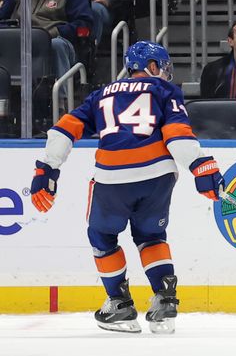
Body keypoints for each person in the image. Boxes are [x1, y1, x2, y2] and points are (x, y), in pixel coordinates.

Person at [28, 41, 224, 334]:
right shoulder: (164, 91)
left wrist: (47, 168)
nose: (166, 73)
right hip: (158, 175)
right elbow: (177, 136)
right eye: (163, 67)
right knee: (151, 235)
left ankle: (119, 304)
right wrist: (201, 166)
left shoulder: (101, 94)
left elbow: (65, 128)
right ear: (152, 66)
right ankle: (164, 299)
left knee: (102, 236)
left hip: (112, 177)